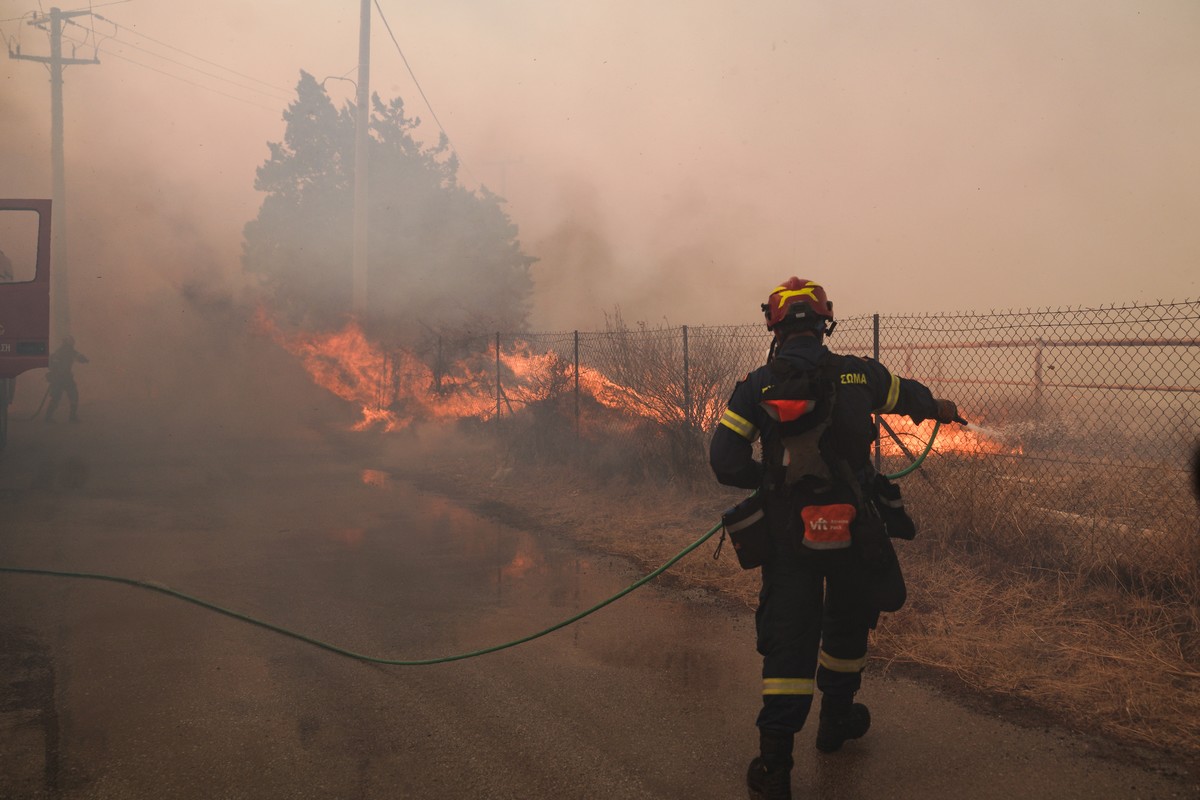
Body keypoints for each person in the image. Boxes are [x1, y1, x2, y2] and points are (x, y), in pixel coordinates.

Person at [709, 278, 965, 800]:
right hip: (854, 530)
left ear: (775, 327)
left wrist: (772, 481)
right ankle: (836, 722)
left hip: (788, 536)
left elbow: (725, 461)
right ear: (825, 322)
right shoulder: (860, 373)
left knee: (790, 637)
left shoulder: (757, 385)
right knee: (847, 623)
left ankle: (774, 767)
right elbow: (908, 395)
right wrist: (940, 407)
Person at [45, 335, 89, 423]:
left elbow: (52, 364)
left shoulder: (58, 352)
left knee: (56, 397)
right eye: (72, 342)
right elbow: (80, 358)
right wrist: (85, 359)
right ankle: (72, 417)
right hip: (66, 378)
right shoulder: (70, 351)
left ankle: (48, 417)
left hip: (57, 379)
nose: (73, 343)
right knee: (74, 396)